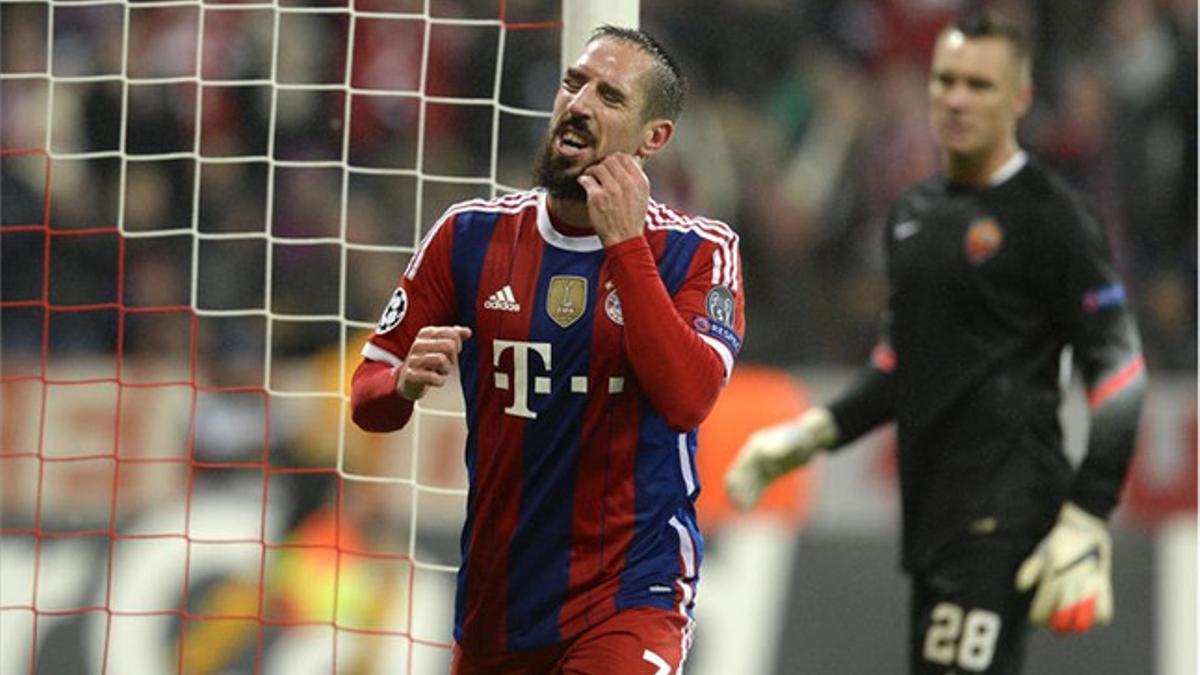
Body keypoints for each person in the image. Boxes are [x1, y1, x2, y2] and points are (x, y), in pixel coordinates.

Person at [726, 11, 1145, 675]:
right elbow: (899, 365)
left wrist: (1088, 514)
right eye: (946, 80)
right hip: (932, 514)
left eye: (979, 84)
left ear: (1020, 98)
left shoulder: (1054, 218)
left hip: (1007, 508)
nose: (956, 98)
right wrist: (811, 432)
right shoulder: (915, 214)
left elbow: (1119, 370)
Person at [350, 25, 744, 674]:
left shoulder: (699, 252)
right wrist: (403, 385)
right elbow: (369, 396)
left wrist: (624, 246)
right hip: (497, 604)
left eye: (610, 96)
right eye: (574, 83)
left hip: (631, 594)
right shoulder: (468, 236)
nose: (580, 103)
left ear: (654, 138)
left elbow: (689, 396)